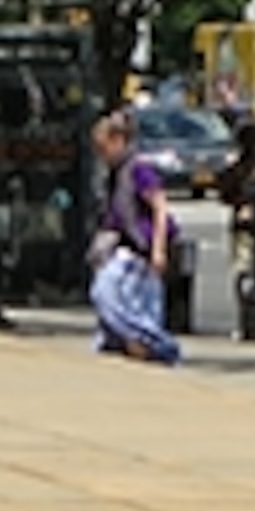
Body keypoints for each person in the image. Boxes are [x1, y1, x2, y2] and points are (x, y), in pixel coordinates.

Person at [86, 110, 183, 365]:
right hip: (126, 248)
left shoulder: (139, 169)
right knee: (130, 301)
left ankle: (158, 344)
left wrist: (159, 250)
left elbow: (160, 208)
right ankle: (129, 343)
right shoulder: (113, 174)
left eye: (103, 147)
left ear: (118, 141)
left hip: (142, 249)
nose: (101, 154)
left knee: (106, 294)